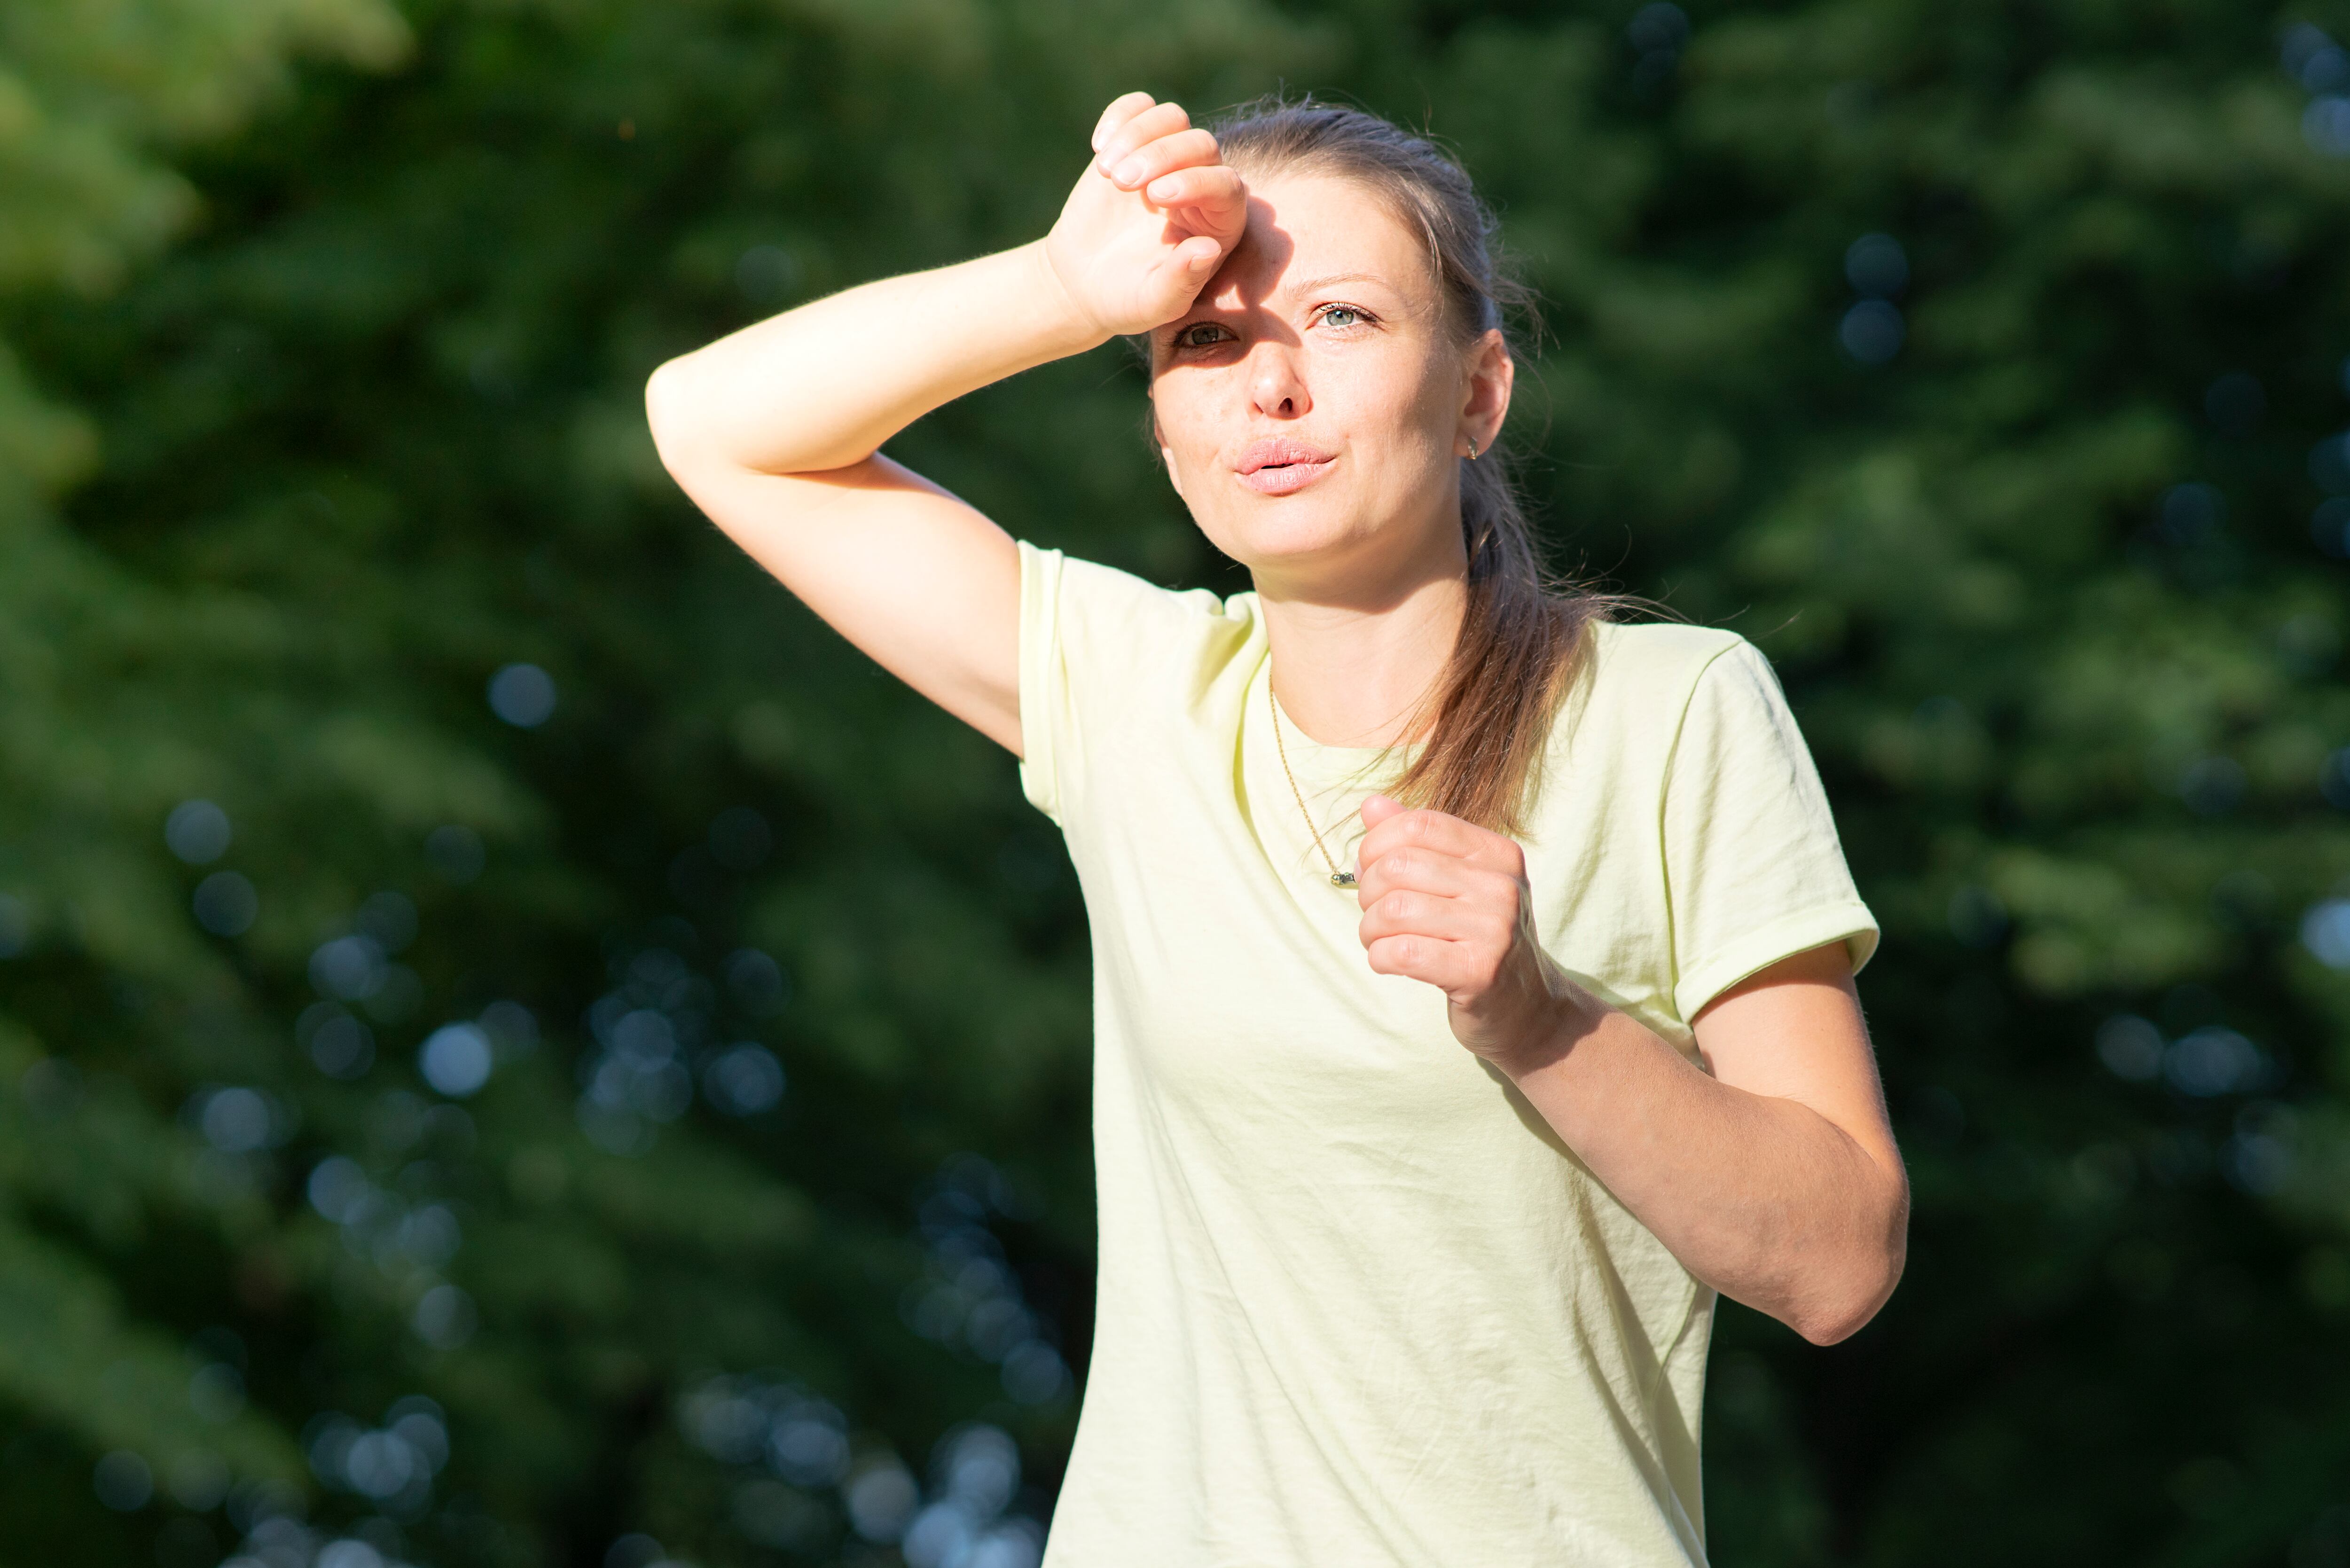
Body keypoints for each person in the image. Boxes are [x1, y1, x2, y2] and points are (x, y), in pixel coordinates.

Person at [646, 90, 1906, 1567]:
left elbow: (1838, 1261)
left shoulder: (1673, 709)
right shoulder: (1129, 697)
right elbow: (713, 426)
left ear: (1480, 391)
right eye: (1207, 336)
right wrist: (1064, 289)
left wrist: (1536, 1015)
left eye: (1346, 319)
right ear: (1164, 429)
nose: (1272, 384)